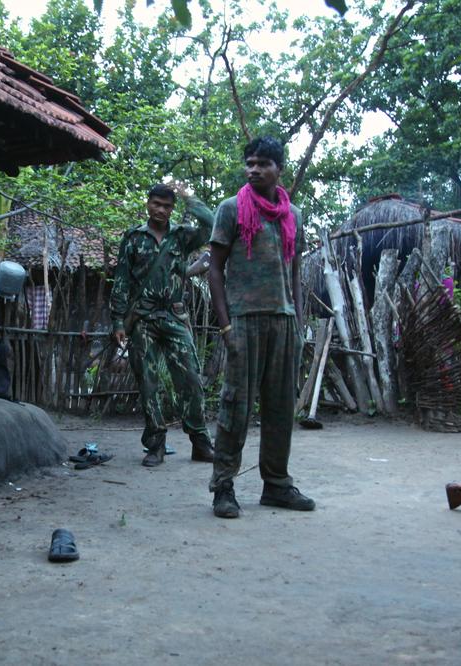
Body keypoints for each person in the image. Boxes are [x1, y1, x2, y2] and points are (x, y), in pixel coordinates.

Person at [206, 136, 315, 519]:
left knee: (281, 408)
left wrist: (298, 324)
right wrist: (225, 327)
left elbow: (295, 270)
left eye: (263, 163)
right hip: (243, 320)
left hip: (283, 322)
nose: (254, 170)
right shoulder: (231, 209)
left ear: (278, 169)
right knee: (235, 406)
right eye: (249, 163)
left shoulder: (294, 215)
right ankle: (223, 487)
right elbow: (214, 270)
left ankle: (277, 485)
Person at [110, 183, 215, 466]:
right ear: (147, 203)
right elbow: (121, 280)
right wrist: (118, 320)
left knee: (191, 378)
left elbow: (211, 223)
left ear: (173, 209)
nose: (161, 210)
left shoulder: (182, 237)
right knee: (148, 382)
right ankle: (155, 444)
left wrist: (188, 196)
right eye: (156, 204)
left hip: (174, 317)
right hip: (142, 319)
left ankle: (200, 441)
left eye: (167, 206)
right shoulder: (133, 238)